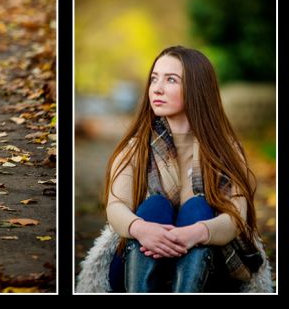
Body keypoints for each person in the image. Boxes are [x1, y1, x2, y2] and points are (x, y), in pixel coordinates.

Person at [76, 46, 271, 293]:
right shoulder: (135, 148)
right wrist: (141, 229)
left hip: (210, 271)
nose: (157, 88)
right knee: (154, 207)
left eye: (171, 80)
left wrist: (196, 233)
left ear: (196, 89)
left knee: (197, 208)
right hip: (139, 261)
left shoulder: (225, 150)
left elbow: (236, 218)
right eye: (154, 79)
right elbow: (115, 206)